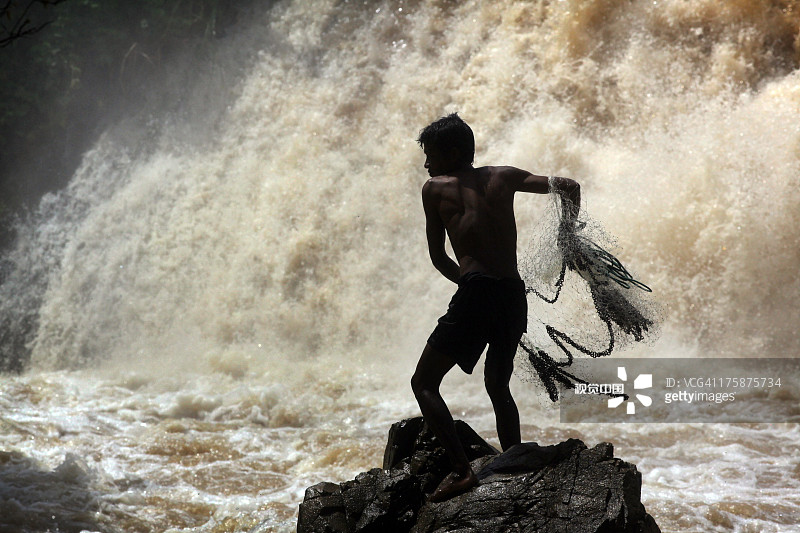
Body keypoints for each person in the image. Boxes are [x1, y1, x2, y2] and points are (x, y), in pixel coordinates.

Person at [410, 113, 580, 502]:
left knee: (423, 383)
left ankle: (460, 471)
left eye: (430, 155)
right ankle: (514, 459)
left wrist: (470, 288)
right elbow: (569, 187)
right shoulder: (502, 176)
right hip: (511, 293)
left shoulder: (435, 188)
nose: (426, 164)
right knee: (497, 384)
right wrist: (568, 236)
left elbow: (438, 257)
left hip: (477, 293)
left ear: (452, 153)